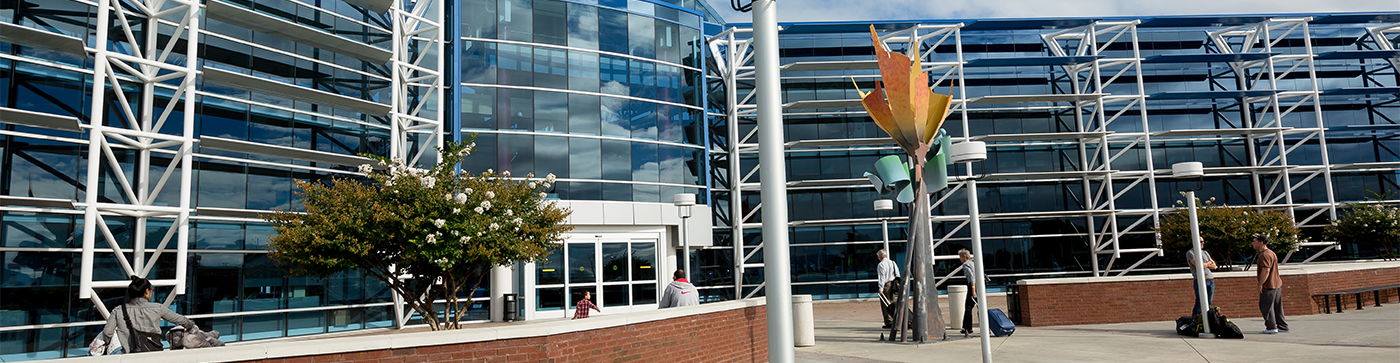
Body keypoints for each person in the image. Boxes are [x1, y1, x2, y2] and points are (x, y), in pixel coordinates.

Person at [100, 276, 199, 354]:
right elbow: (180, 320)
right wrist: (191, 326)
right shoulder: (157, 308)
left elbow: (107, 332)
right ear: (147, 291)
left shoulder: (118, 310)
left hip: (128, 355)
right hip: (153, 353)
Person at [1252, 234, 1289, 334]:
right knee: (1277, 307)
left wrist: (1260, 284)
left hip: (1269, 285)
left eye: (1254, 241)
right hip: (1276, 284)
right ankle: (1282, 326)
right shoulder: (1271, 253)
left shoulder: (1264, 255)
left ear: (1261, 243)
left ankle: (1271, 327)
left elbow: (1266, 271)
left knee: (1266, 306)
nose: (1252, 243)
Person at [1187, 236, 1218, 316]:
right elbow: (1198, 265)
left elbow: (1214, 266)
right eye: (1201, 242)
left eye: (1203, 241)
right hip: (1200, 280)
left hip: (1210, 279)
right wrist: (1208, 264)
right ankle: (1195, 320)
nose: (1202, 243)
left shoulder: (1205, 253)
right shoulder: (1191, 253)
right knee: (1200, 302)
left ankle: (1206, 319)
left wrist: (1206, 264)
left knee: (1209, 301)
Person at [876, 249, 900, 329]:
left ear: (880, 256)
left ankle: (889, 322)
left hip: (886, 285)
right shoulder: (892, 263)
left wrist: (880, 288)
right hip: (893, 284)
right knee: (892, 302)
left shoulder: (881, 265)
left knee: (885, 304)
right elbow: (897, 274)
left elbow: (881, 277)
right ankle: (895, 319)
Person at [958, 249, 977, 337]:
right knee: (979, 307)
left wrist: (973, 289)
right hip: (979, 286)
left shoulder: (966, 265)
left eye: (960, 256)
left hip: (973, 286)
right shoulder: (973, 263)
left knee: (968, 307)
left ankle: (967, 327)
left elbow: (972, 277)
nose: (960, 258)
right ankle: (986, 327)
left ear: (964, 257)